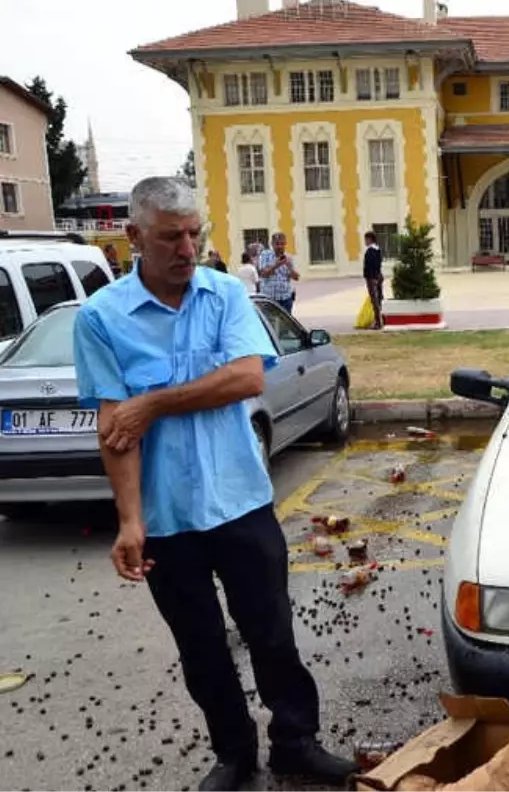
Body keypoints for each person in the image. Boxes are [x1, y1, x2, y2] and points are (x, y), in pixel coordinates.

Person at [71, 177, 357, 792]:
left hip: (241, 504)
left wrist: (151, 404)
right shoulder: (101, 318)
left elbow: (246, 379)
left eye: (195, 233)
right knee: (201, 648)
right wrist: (129, 520)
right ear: (133, 237)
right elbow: (113, 430)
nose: (187, 247)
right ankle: (233, 754)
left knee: (272, 634)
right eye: (171, 236)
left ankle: (296, 742)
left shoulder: (226, 293)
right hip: (167, 519)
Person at [258, 233, 300, 313]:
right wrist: (276, 265)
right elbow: (263, 274)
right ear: (272, 244)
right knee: (270, 323)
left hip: (285, 297)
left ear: (285, 244)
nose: (280, 246)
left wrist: (289, 267)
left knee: (286, 323)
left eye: (282, 244)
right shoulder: (265, 255)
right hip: (269, 298)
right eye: (277, 244)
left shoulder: (288, 257)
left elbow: (296, 277)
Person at [363, 231, 385, 330]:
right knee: (380, 299)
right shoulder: (378, 249)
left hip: (372, 278)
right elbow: (379, 264)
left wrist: (372, 278)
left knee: (375, 300)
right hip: (379, 276)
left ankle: (378, 323)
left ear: (369, 239)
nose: (365, 241)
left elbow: (371, 266)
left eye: (366, 239)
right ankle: (383, 319)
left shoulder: (370, 251)